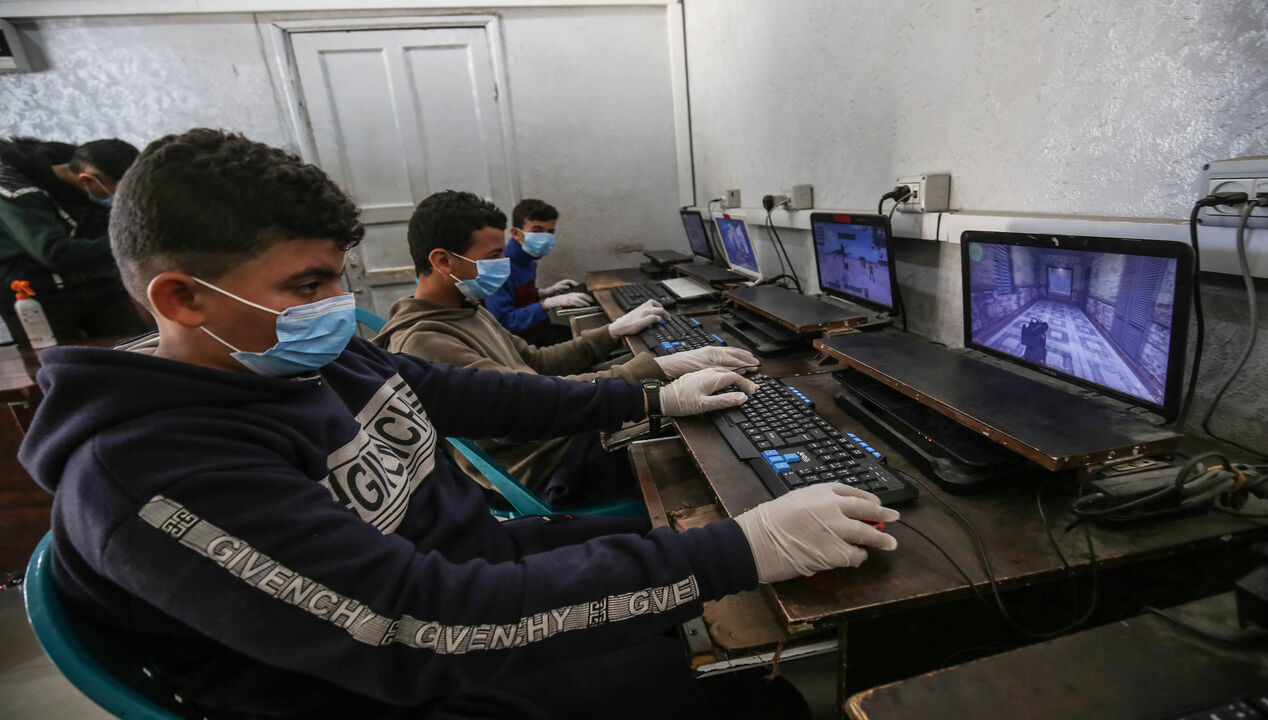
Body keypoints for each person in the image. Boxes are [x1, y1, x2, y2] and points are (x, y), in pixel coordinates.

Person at [18, 128, 901, 720]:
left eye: (336, 277)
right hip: (394, 684)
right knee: (753, 695)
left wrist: (645, 397)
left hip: (465, 584)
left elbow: (472, 396)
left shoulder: (302, 355)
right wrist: (738, 553)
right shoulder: (151, 473)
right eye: (307, 285)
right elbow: (421, 628)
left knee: (700, 585)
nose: (336, 304)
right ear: (181, 299)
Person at [372, 189, 759, 509]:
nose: (504, 263)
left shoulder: (465, 308)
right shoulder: (425, 342)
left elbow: (537, 363)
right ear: (443, 261)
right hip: (550, 466)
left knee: (706, 409)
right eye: (492, 257)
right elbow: (534, 401)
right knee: (715, 454)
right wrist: (655, 378)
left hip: (561, 432)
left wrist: (615, 336)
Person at [0, 137, 149, 346]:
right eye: (121, 193)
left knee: (136, 348)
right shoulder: (15, 193)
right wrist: (136, 242)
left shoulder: (88, 176)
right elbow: (55, 252)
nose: (123, 200)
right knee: (59, 361)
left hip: (99, 285)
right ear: (87, 180)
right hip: (36, 296)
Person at [484, 198, 591, 345]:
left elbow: (517, 296)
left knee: (591, 336)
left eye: (550, 232)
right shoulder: (498, 268)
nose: (545, 238)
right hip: (520, 343)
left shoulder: (528, 259)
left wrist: (544, 292)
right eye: (537, 230)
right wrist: (546, 304)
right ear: (516, 233)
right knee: (591, 344)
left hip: (539, 329)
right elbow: (504, 322)